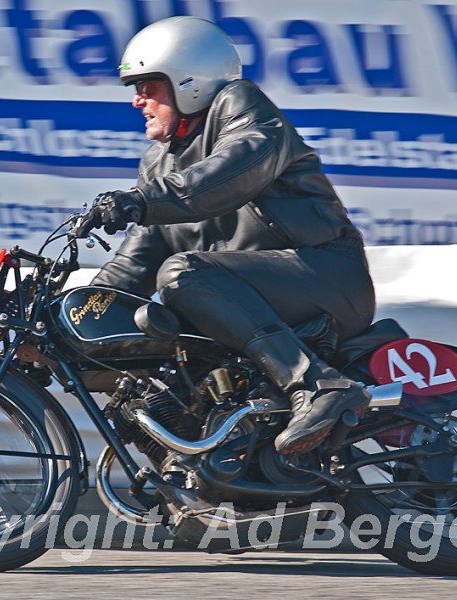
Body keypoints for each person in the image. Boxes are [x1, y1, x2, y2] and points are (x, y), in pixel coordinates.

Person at [77, 16, 376, 455]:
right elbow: (135, 263)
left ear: (189, 81)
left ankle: (318, 385)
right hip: (245, 300)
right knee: (124, 346)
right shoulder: (158, 165)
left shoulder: (242, 107)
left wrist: (140, 200)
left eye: (148, 87)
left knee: (182, 274)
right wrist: (76, 316)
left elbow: (226, 175)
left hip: (324, 276)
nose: (138, 101)